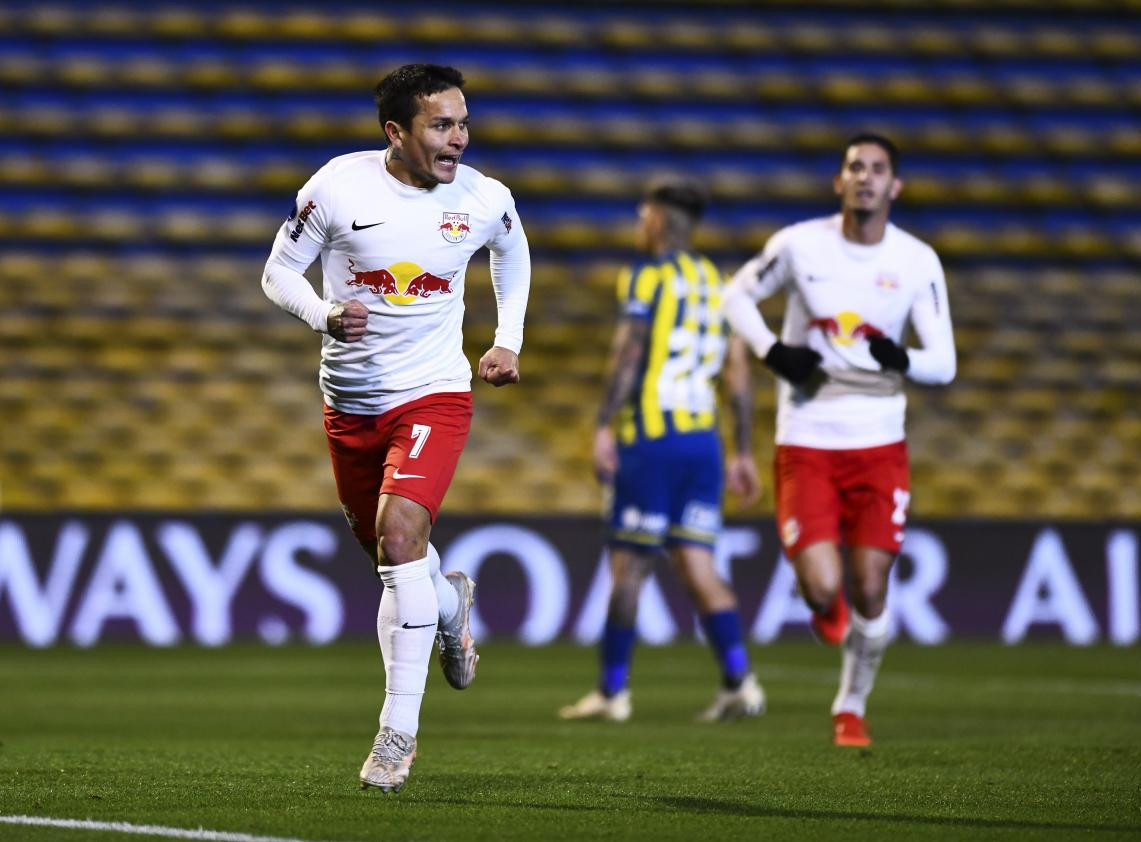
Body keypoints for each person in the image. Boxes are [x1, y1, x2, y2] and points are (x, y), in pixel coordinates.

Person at [260, 64, 530, 793]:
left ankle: (396, 735)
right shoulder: (337, 188)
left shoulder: (483, 199)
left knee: (403, 537)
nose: (459, 140)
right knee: (395, 559)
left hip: (435, 394)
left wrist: (509, 338)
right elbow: (277, 273)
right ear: (396, 132)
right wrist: (321, 313)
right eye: (441, 126)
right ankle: (451, 604)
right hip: (350, 406)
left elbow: (512, 249)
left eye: (463, 123)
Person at [721, 133, 955, 747]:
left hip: (879, 441)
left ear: (894, 187)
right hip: (808, 438)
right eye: (855, 167)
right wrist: (774, 351)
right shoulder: (801, 245)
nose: (866, 178)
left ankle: (850, 706)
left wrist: (899, 355)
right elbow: (735, 294)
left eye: (878, 170)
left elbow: (945, 363)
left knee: (872, 585)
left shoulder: (915, 261)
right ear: (839, 181)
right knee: (824, 586)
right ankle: (827, 610)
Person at [558, 178, 765, 724]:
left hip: (650, 440)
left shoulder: (646, 278)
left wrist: (603, 425)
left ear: (656, 220)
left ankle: (612, 691)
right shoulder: (721, 283)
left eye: (641, 214)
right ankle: (740, 682)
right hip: (704, 443)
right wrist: (743, 451)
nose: (637, 222)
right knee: (698, 562)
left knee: (629, 568)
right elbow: (738, 376)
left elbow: (628, 355)